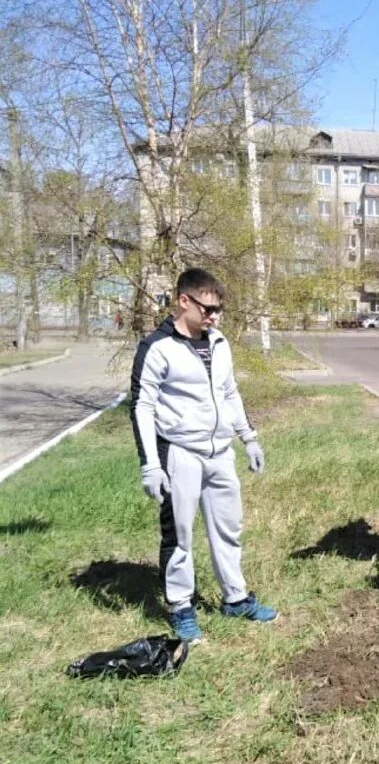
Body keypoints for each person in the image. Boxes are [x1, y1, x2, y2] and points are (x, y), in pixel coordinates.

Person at [130, 267, 277, 643]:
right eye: (208, 308)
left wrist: (249, 437)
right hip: (180, 452)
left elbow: (229, 392)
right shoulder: (157, 348)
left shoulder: (219, 343)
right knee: (179, 533)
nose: (213, 316)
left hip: (219, 452)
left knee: (229, 527)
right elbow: (142, 406)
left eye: (218, 310)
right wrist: (150, 464)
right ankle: (181, 607)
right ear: (183, 301)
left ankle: (235, 598)